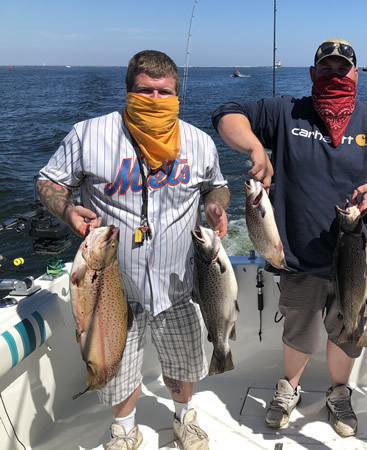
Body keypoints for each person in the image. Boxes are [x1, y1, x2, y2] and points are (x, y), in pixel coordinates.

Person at [212, 38, 367, 437]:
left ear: (356, 74)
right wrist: (257, 149)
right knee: (298, 329)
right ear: (312, 74)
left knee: (346, 329)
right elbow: (225, 113)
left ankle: (339, 393)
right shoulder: (287, 111)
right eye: (326, 69)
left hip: (355, 254)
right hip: (298, 254)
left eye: (343, 69)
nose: (335, 76)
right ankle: (290, 389)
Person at [37, 50, 231, 450]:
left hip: (178, 284)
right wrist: (67, 208)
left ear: (177, 94)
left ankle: (184, 419)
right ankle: (125, 429)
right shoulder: (88, 134)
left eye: (164, 92)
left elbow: (217, 184)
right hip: (114, 287)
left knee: (184, 360)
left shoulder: (198, 141)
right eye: (145, 91)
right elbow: (49, 181)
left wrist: (216, 204)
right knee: (119, 368)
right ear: (128, 91)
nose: (155, 99)